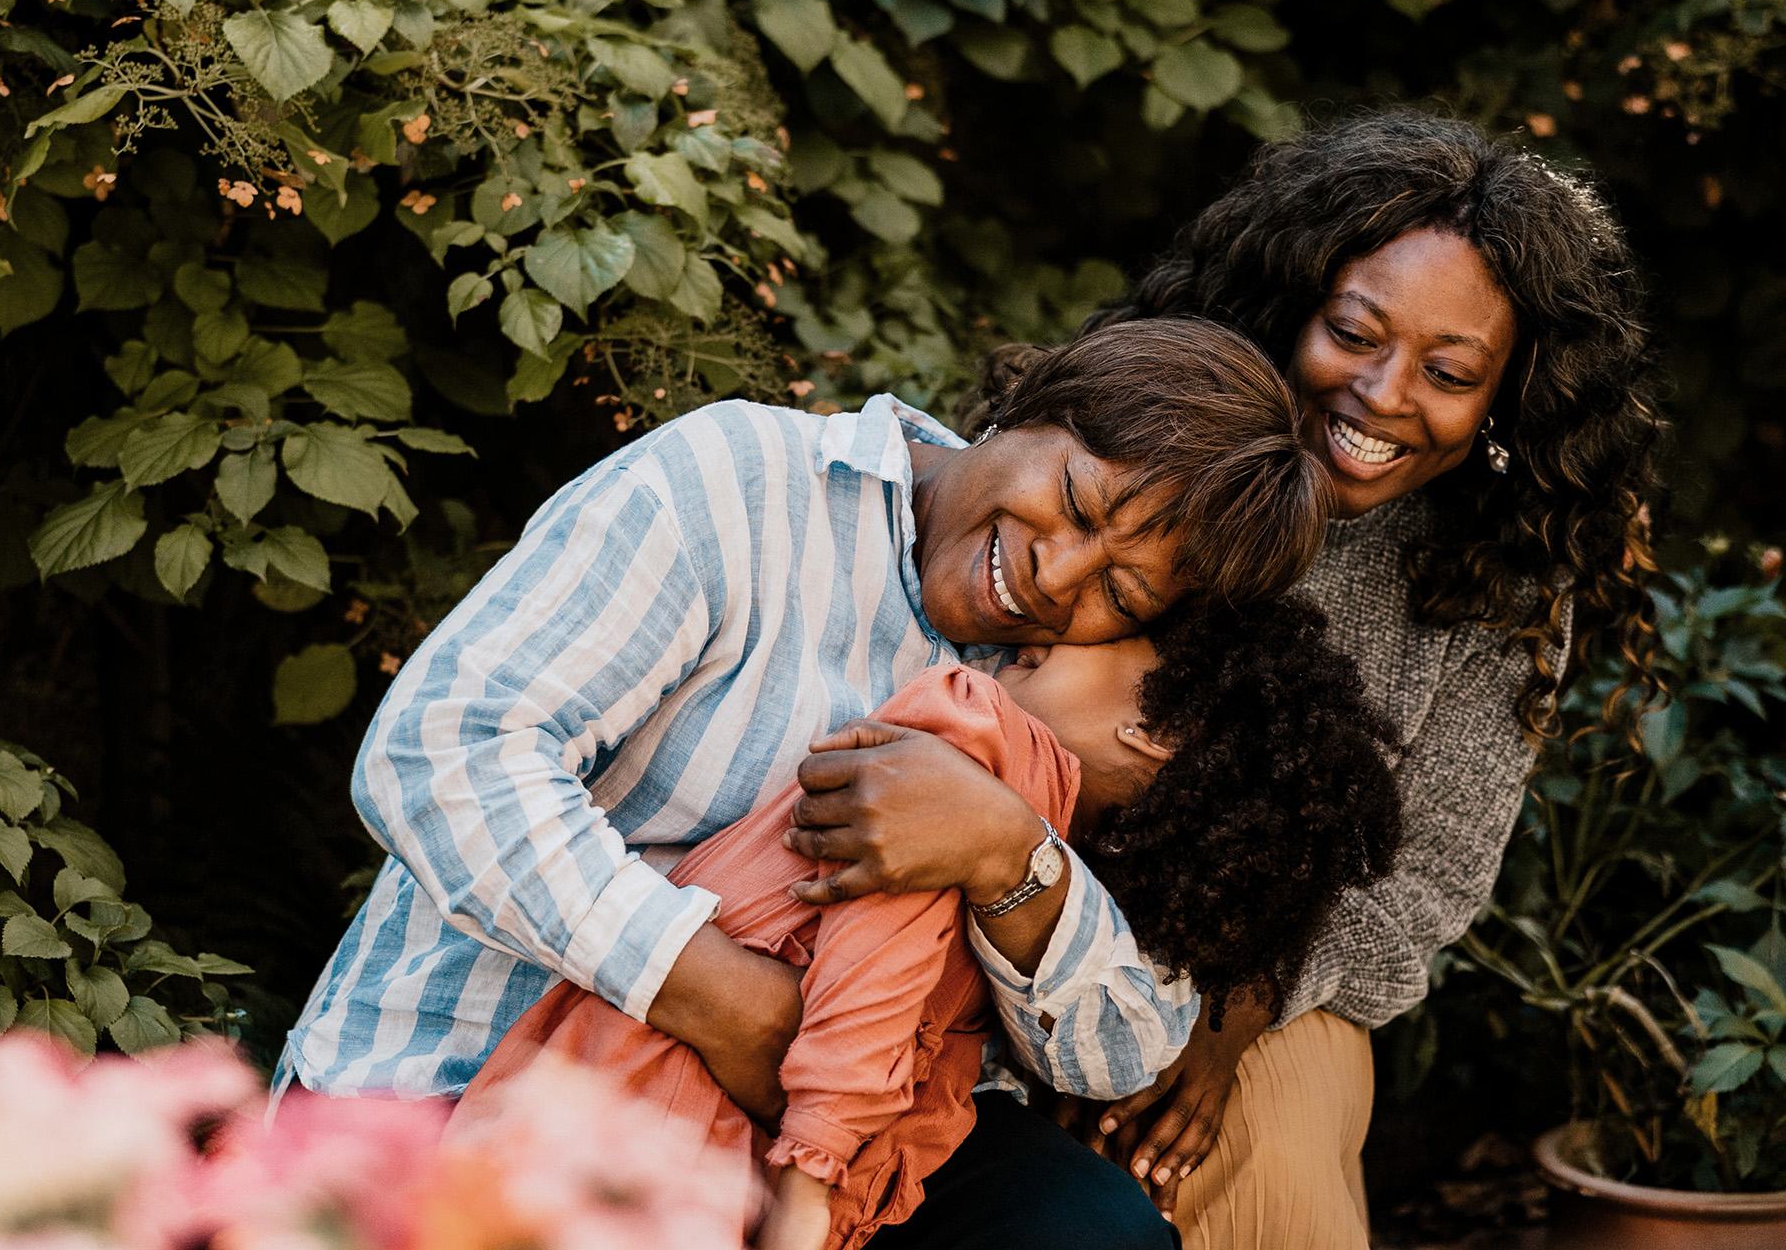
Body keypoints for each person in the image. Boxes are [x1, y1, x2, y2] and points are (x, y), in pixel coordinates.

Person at [784, 108, 1665, 1250]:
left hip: (1270, 980)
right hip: (984, 912)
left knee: (1248, 1162)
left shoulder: (1499, 582)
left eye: (1449, 372)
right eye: (1353, 333)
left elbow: (1424, 889)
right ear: (1292, 300)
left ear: (1511, 397)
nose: (1384, 392)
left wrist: (1231, 1013)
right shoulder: (1145, 439)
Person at [277, 316, 1332, 1250]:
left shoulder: (1066, 703)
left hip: (835, 1140)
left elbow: (1125, 1046)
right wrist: (728, 1005)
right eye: (1072, 503)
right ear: (1034, 405)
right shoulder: (741, 482)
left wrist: (1010, 857)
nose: (1055, 575)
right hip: (488, 1070)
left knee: (1086, 1228)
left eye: (1121, 591)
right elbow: (443, 751)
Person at [449, 600, 1402, 1250]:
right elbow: (875, 963)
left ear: (1156, 729)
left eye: (1121, 634)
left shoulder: (1016, 782)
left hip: (690, 1107)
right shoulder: (969, 728)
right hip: (681, 1097)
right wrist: (811, 1188)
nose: (1064, 622)